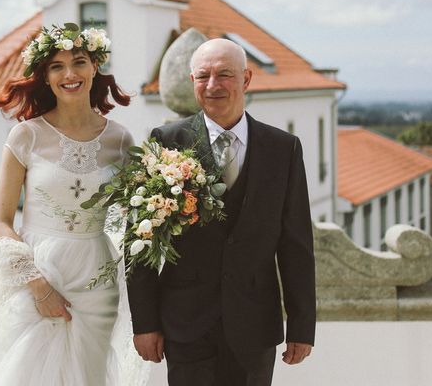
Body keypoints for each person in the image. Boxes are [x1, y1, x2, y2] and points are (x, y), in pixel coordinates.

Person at [128, 38, 316, 385]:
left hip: (255, 323)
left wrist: (302, 326)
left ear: (245, 79)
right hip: (186, 324)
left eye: (224, 75)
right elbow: (141, 241)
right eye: (203, 76)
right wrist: (145, 323)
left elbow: (296, 245)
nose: (213, 85)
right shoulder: (167, 140)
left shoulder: (283, 149)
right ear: (192, 81)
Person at [0, 24, 137, 385]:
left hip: (97, 280)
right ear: (45, 77)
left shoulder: (121, 140)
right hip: (38, 275)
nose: (69, 74)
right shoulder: (26, 135)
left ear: (95, 67)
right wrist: (38, 285)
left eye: (79, 62)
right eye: (56, 67)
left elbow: (134, 215)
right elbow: (0, 221)